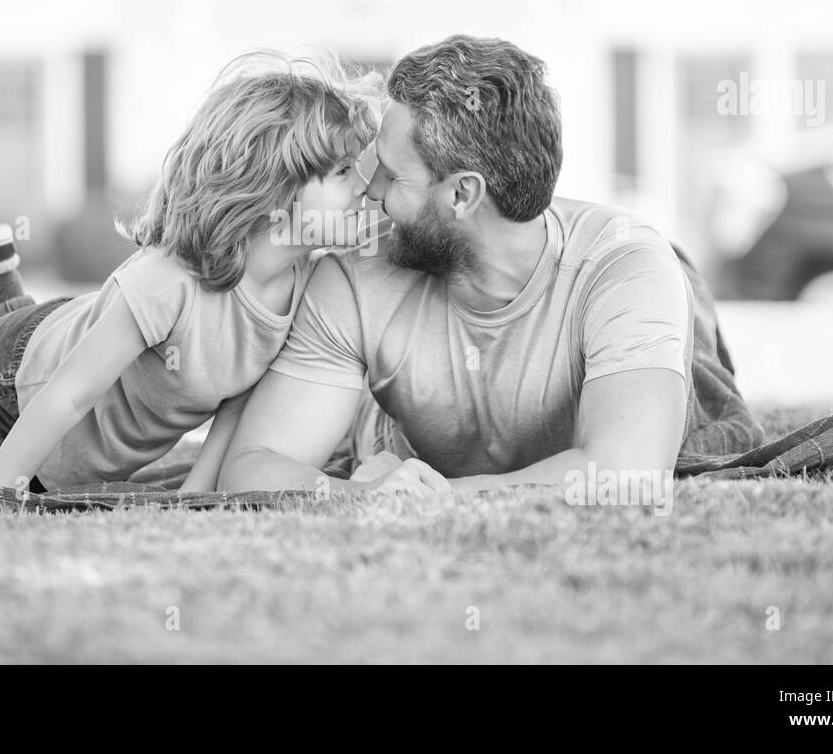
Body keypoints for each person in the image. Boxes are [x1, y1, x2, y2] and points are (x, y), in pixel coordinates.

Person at [0, 53, 381, 494]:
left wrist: (194, 495)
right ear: (270, 191)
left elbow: (238, 401)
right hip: (7, 396)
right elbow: (68, 397)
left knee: (54, 363)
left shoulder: (305, 284)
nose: (363, 185)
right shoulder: (169, 284)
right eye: (340, 172)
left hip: (68, 345)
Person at [220, 34, 737, 496]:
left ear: (463, 193)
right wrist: (365, 495)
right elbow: (251, 468)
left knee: (675, 287)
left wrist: (440, 497)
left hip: (646, 288)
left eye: (392, 176)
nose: (369, 191)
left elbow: (627, 473)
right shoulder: (355, 273)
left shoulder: (624, 268)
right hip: (389, 423)